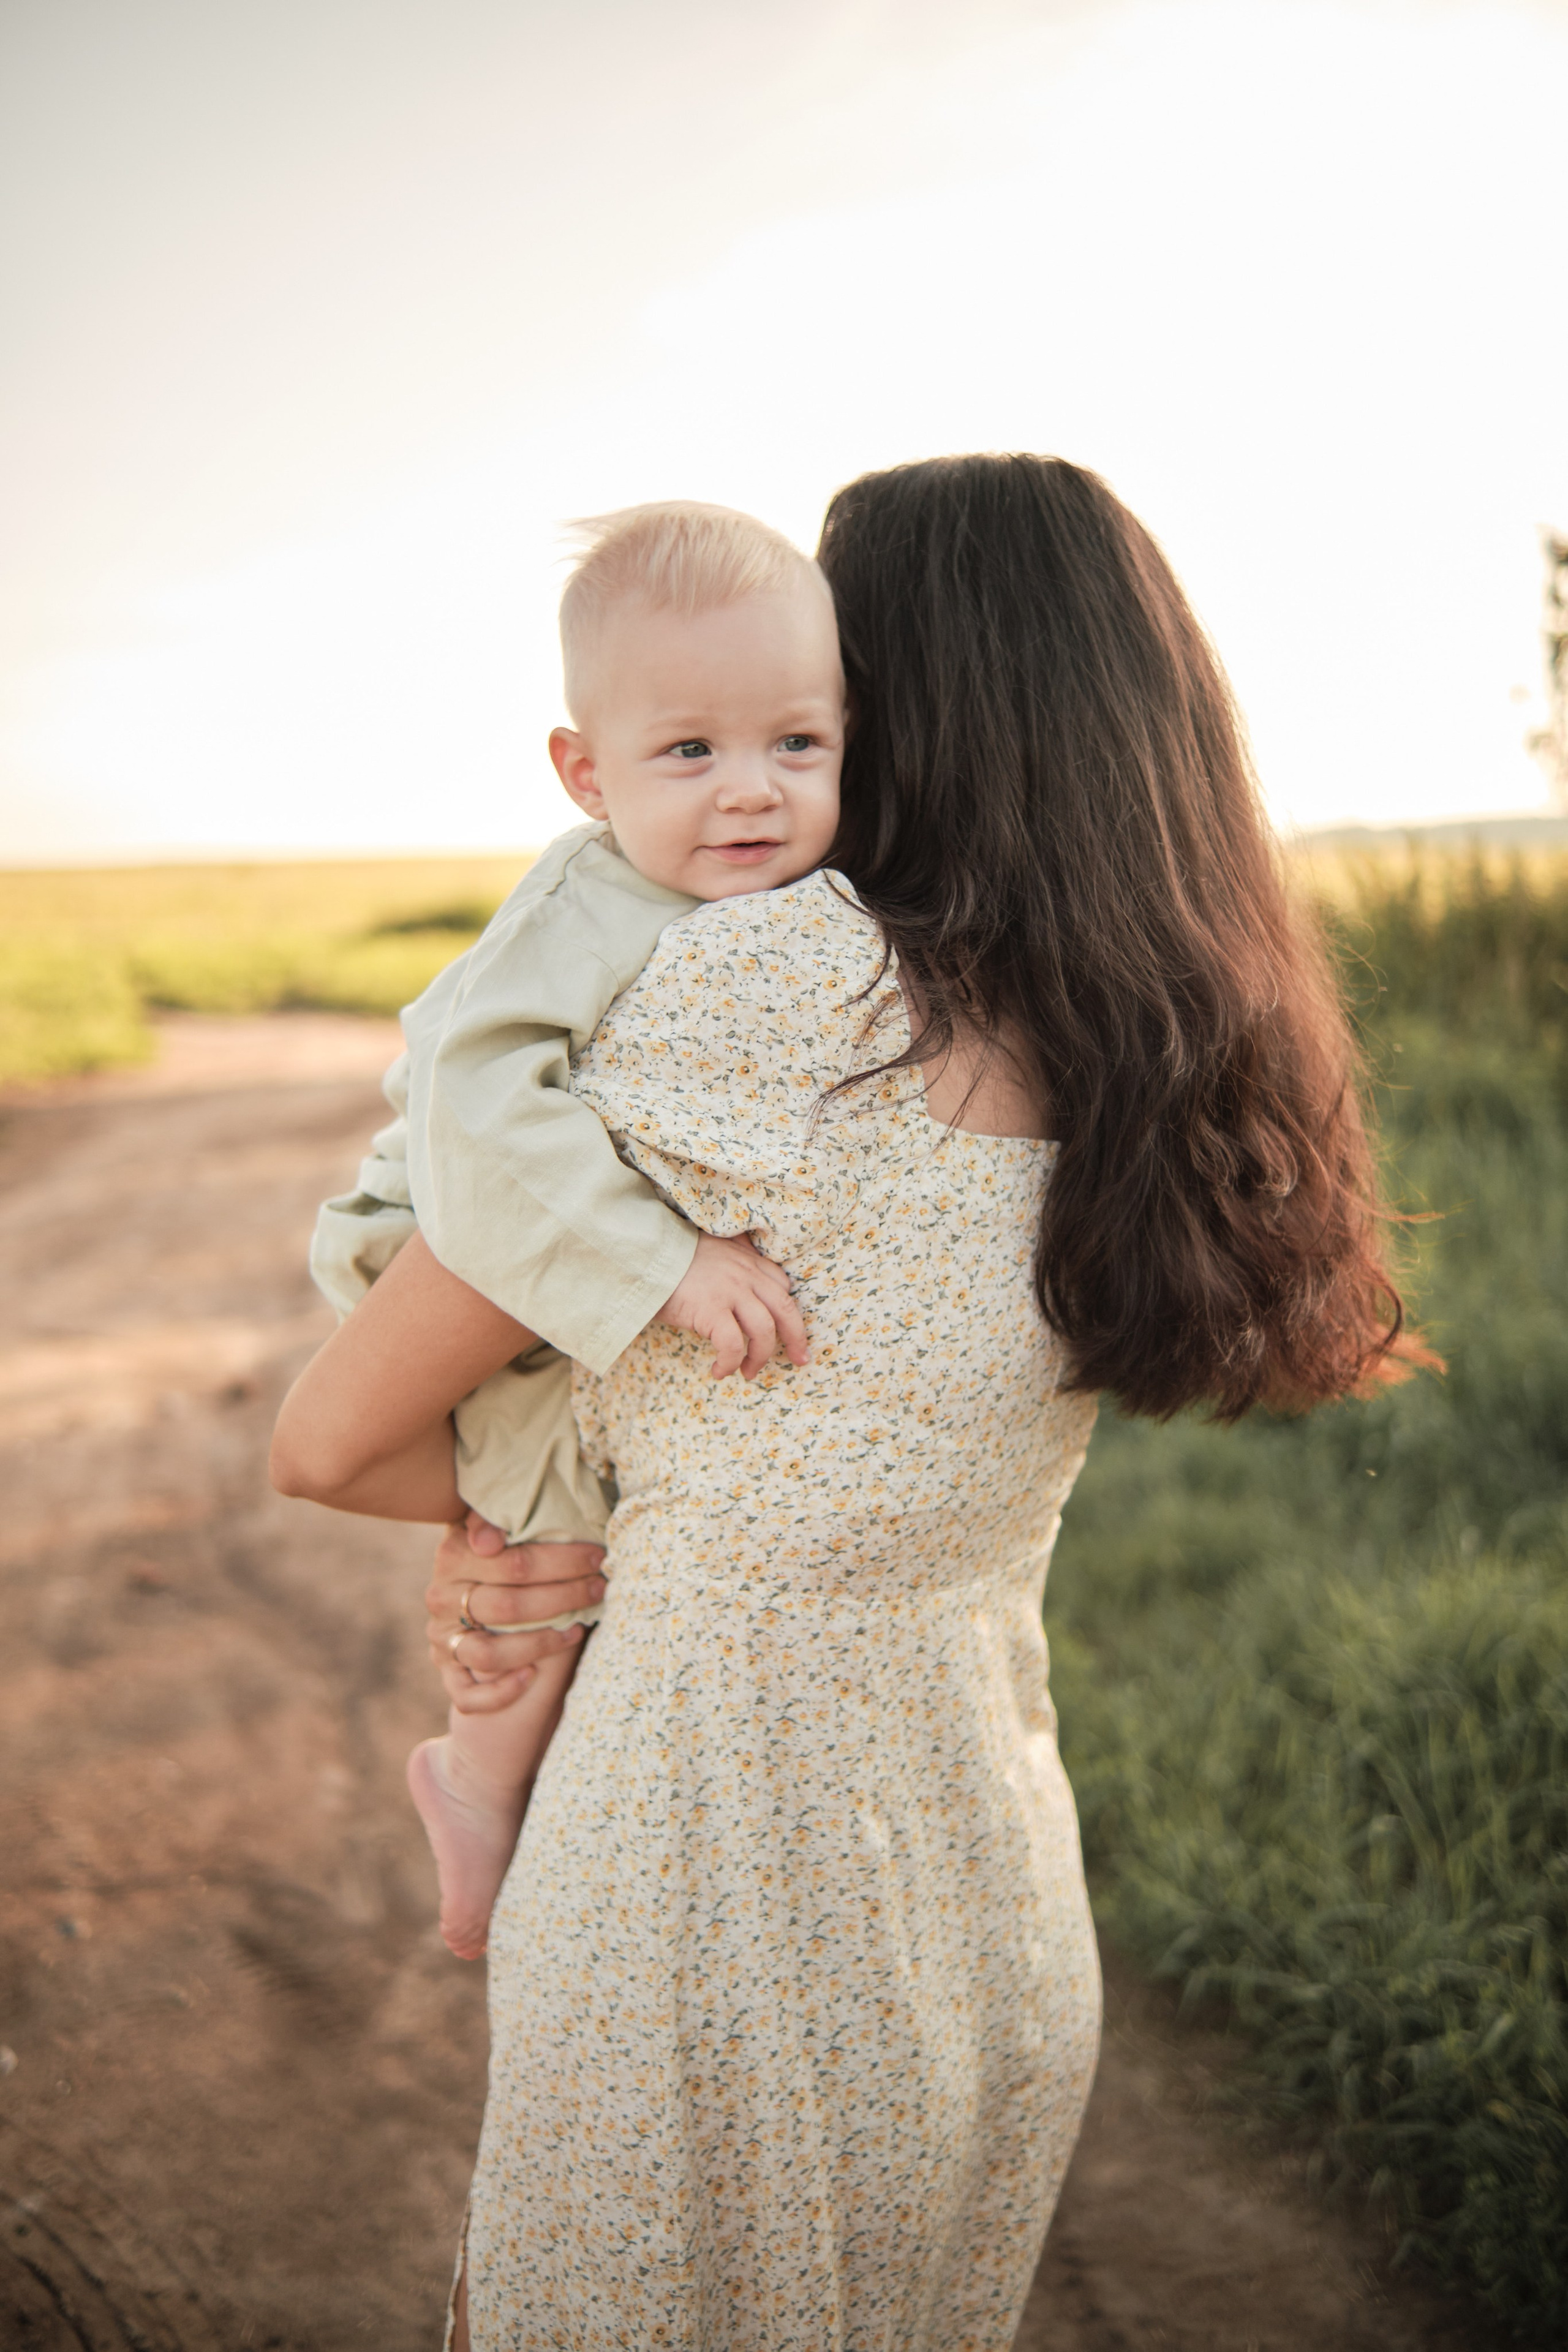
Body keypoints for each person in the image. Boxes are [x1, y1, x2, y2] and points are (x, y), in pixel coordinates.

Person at [273, 454, 1416, 2352]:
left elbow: (332, 1439)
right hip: (987, 1900)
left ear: (895, 703)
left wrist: (528, 1546)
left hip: (700, 1900)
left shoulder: (784, 988)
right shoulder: (1166, 1046)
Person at [284, 502, 845, 1960]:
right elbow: (479, 1120)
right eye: (688, 752)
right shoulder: (582, 904)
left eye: (797, 745)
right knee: (542, 1531)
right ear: (584, 774)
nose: (749, 795)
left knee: (564, 1511)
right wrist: (666, 1264)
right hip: (450, 1218)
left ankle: (508, 1772)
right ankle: (475, 1781)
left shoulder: (748, 909)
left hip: (518, 1231)